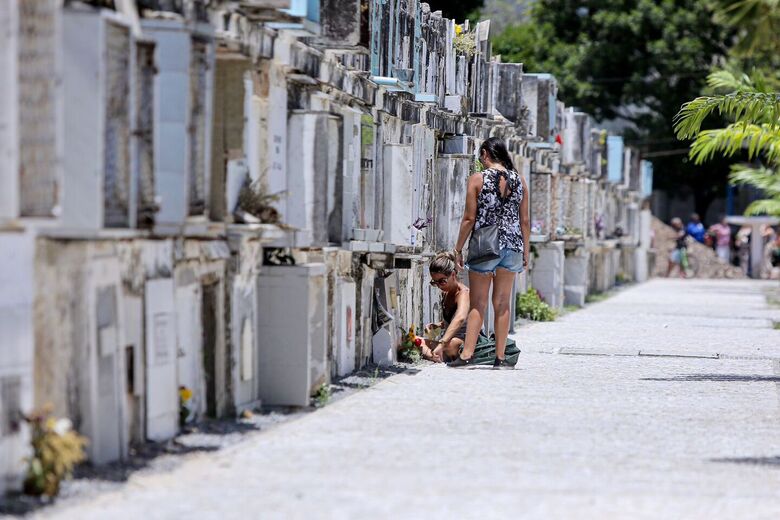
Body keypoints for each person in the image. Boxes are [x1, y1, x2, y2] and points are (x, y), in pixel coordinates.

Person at [448, 137, 530, 369]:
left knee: (478, 302)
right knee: (502, 303)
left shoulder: (478, 179)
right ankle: (501, 357)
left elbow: (468, 219)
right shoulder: (519, 180)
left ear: (485, 154)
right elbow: (525, 220)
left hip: (485, 245)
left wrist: (457, 249)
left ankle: (468, 354)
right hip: (512, 245)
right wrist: (526, 251)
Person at [415, 252, 470, 363]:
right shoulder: (445, 293)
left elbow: (460, 318)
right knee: (410, 339)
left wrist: (442, 342)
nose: (439, 286)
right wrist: (438, 325)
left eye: (442, 281)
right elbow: (451, 320)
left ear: (453, 275)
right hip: (448, 341)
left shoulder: (464, 293)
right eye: (435, 282)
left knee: (450, 345)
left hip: (464, 341)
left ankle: (434, 353)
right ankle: (434, 355)